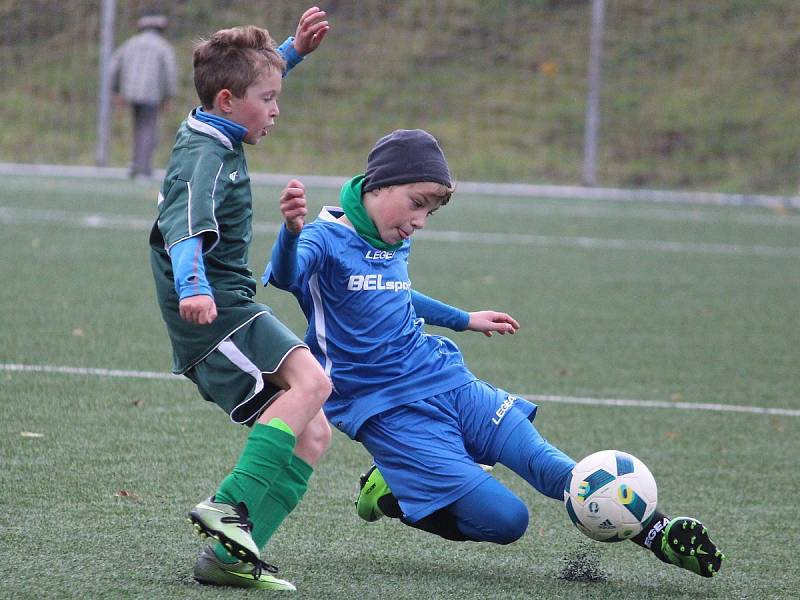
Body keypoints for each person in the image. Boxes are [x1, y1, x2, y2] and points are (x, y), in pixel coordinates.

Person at [263, 129, 725, 580]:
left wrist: (464, 318)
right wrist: (289, 231)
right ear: (380, 185)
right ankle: (390, 494)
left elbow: (394, 294)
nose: (420, 220)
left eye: (430, 210)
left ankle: (655, 530)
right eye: (417, 203)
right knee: (507, 521)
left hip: (443, 376)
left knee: (541, 461)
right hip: (384, 407)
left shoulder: (393, 232)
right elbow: (285, 276)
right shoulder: (323, 238)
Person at [148, 7, 331, 591]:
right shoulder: (204, 157)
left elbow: (246, 79)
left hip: (230, 302)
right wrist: (194, 288)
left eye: (279, 94)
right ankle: (227, 506)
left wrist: (291, 52)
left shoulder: (213, 125)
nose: (276, 109)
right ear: (228, 101)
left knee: (314, 432)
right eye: (268, 98)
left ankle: (229, 557)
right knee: (313, 383)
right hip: (215, 310)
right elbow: (183, 227)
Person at [110, 14, 178, 180]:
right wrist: (168, 96)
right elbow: (169, 72)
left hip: (131, 92)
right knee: (148, 129)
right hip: (151, 93)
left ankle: (135, 163)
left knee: (137, 127)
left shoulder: (130, 43)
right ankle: (143, 168)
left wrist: (116, 90)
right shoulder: (162, 46)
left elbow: (114, 66)